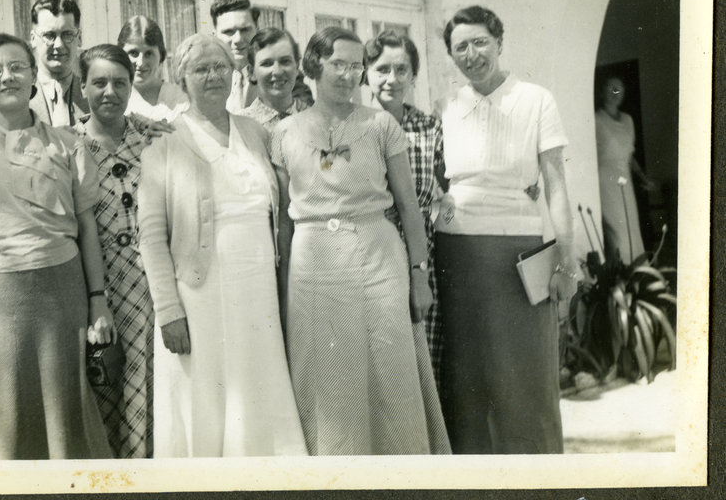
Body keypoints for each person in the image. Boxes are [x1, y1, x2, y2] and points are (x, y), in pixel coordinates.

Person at [271, 26, 449, 456]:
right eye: (338, 64)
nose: (349, 75)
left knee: (389, 368)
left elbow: (409, 206)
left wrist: (419, 276)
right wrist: (281, 290)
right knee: (325, 375)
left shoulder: (381, 124)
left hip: (378, 259)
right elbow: (282, 223)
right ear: (314, 66)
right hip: (312, 266)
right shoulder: (284, 132)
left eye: (356, 66)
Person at [0, 33, 113, 460]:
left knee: (63, 418)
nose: (8, 77)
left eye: (18, 67)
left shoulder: (67, 143)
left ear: (34, 75)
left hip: (61, 295)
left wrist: (97, 299)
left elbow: (86, 227)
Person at [137, 33, 306, 458]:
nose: (213, 76)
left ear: (234, 73)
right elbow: (151, 235)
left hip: (257, 289)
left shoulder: (255, 132)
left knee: (258, 390)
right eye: (201, 69)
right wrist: (168, 309)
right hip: (198, 294)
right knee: (203, 401)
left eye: (220, 67)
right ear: (181, 78)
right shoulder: (164, 140)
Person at [435, 5, 577, 454]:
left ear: (499, 42)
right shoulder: (446, 106)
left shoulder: (536, 100)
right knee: (469, 376)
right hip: (456, 253)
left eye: (480, 42)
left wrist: (566, 260)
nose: (472, 54)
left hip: (520, 251)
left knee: (526, 373)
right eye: (461, 47)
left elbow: (555, 183)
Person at [75, 44, 157, 458]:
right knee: (102, 385)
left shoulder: (152, 139)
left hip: (148, 286)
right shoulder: (68, 144)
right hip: (97, 285)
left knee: (147, 385)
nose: (110, 92)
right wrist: (95, 297)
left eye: (120, 83)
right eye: (99, 83)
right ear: (83, 87)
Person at [363, 30, 448, 390]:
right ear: (366, 73)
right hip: (370, 257)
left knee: (424, 362)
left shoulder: (429, 128)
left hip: (420, 258)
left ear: (414, 75)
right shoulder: (353, 127)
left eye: (402, 70)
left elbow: (452, 188)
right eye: (382, 69)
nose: (392, 79)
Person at [595, 75, 655, 264]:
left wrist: (643, 177)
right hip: (605, 184)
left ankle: (637, 274)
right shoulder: (596, 120)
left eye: (619, 89)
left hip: (625, 183)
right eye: (611, 88)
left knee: (631, 230)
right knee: (616, 233)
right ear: (602, 92)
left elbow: (629, 156)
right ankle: (620, 274)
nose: (615, 92)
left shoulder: (628, 120)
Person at [28, 0, 89, 127]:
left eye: (67, 35)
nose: (59, 45)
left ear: (79, 38)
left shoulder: (93, 95)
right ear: (33, 39)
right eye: (49, 35)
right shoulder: (19, 95)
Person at [117, 15, 189, 122]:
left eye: (149, 54)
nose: (141, 63)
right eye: (133, 53)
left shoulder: (180, 99)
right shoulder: (114, 98)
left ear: (161, 56)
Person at [238, 27, 312, 131]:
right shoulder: (240, 125)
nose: (277, 72)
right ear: (251, 72)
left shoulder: (316, 121)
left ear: (296, 67)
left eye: (285, 61)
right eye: (266, 64)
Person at [210, 0, 259, 113]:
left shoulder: (280, 74)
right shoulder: (207, 81)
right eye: (229, 32)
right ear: (215, 36)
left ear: (257, 31)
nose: (238, 39)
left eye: (245, 30)